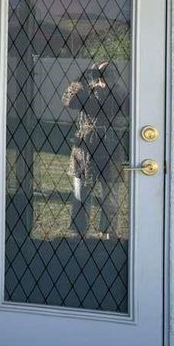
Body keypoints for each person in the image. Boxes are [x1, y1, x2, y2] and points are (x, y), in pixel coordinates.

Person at [62, 61, 130, 238]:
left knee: (111, 194)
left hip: (112, 146)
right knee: (81, 193)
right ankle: (79, 232)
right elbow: (69, 101)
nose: (105, 77)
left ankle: (109, 233)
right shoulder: (86, 91)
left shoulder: (121, 92)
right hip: (86, 147)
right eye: (101, 73)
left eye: (110, 72)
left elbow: (128, 108)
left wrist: (110, 89)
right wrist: (83, 81)